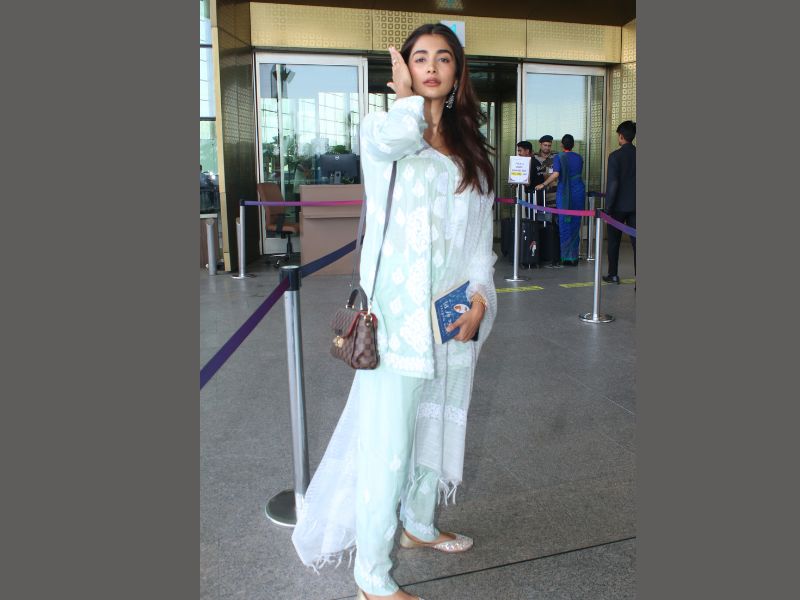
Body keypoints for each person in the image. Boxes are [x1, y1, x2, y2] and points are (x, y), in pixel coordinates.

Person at [291, 24, 497, 600]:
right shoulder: (384, 128)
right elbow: (390, 144)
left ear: (458, 72)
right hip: (398, 319)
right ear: (404, 68)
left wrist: (481, 299)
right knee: (389, 447)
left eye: (443, 58)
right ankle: (372, 578)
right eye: (419, 58)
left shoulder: (472, 150)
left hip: (451, 316)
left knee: (437, 419)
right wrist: (407, 101)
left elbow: (481, 243)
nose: (431, 67)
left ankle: (420, 525)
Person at [535, 134, 585, 266]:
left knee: (564, 224)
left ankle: (566, 258)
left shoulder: (559, 157)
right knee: (575, 224)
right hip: (578, 191)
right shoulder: (579, 157)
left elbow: (556, 174)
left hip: (565, 193)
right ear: (573, 145)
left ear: (562, 145)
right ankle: (574, 257)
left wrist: (543, 184)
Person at [603, 121, 636, 284]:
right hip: (636, 206)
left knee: (614, 242)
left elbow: (613, 184)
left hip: (618, 207)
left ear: (621, 136)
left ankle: (613, 274)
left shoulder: (615, 156)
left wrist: (607, 209)